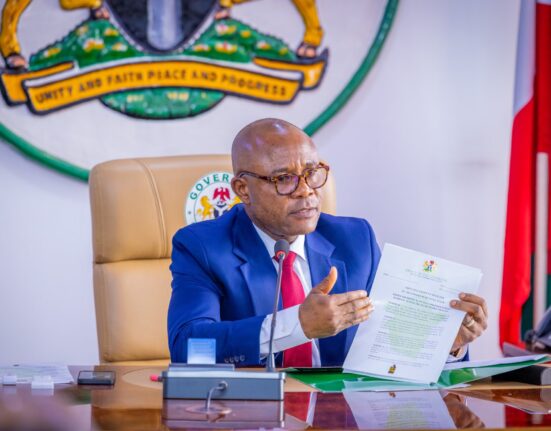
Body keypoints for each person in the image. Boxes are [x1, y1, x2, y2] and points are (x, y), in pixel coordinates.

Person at [168, 118, 488, 367]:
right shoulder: (203, 247)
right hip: (253, 415)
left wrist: (447, 345)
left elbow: (385, 346)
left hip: (340, 415)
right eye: (284, 179)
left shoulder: (355, 240)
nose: (306, 190)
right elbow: (189, 346)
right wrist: (297, 325)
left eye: (312, 173)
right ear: (243, 190)